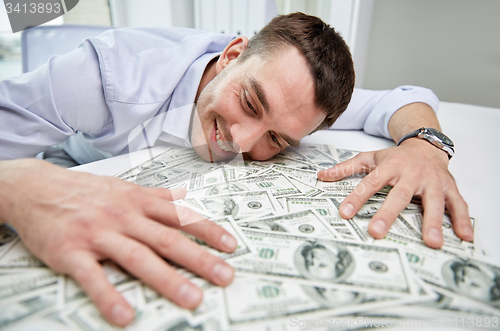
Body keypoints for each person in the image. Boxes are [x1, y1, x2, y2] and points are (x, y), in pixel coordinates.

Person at [0, 12, 472, 327]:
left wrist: (425, 146)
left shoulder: (294, 101)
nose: (241, 143)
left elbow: (401, 99)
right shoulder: (104, 74)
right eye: (249, 102)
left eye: (277, 139)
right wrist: (21, 185)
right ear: (231, 56)